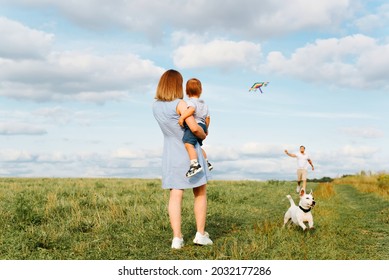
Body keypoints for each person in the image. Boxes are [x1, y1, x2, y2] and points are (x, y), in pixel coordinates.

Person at [152, 69, 213, 249]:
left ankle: (177, 238)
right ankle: (200, 234)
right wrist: (204, 134)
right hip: (188, 152)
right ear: (177, 85)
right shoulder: (180, 104)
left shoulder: (155, 106)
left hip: (171, 153)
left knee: (175, 195)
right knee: (199, 193)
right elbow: (194, 129)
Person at [178, 78, 213, 177]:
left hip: (195, 125)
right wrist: (206, 129)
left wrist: (182, 117)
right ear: (200, 90)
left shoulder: (190, 102)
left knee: (188, 144)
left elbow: (191, 110)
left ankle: (194, 165)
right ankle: (206, 162)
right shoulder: (204, 104)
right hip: (202, 125)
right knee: (198, 146)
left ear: (186, 91)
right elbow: (208, 118)